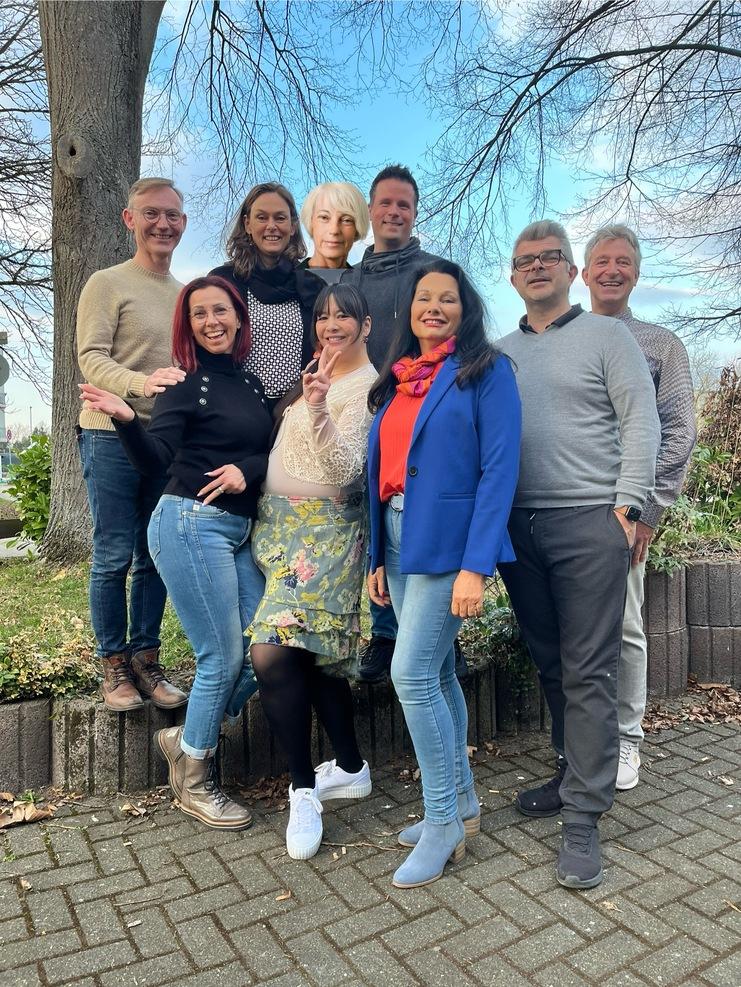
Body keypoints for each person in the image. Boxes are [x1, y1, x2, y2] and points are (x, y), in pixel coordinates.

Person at [498, 220, 661, 890]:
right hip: (517, 527)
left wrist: (628, 506)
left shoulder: (606, 335)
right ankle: (572, 771)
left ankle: (583, 818)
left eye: (549, 258)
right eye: (524, 260)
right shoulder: (498, 351)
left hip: (587, 522)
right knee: (549, 661)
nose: (536, 267)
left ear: (570, 271)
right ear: (511, 276)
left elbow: (641, 418)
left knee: (588, 669)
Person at [80, 276, 274, 830]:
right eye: (198, 315)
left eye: (221, 310)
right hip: (189, 523)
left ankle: (185, 736)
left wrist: (248, 470)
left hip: (238, 531)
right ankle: (195, 779)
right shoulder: (184, 385)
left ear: (239, 317)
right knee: (222, 655)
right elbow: (155, 459)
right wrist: (123, 420)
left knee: (269, 642)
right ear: (187, 326)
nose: (211, 321)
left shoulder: (255, 384)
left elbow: (268, 453)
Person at [367, 260, 521, 888]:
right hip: (400, 537)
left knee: (410, 675)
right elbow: (381, 474)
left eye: (448, 299)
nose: (434, 307)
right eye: (424, 298)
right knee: (434, 672)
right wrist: (377, 554)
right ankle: (461, 803)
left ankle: (441, 823)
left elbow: (499, 472)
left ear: (466, 308)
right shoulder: (399, 380)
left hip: (450, 547)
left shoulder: (486, 371)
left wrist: (475, 567)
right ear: (409, 310)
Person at [248, 283, 377, 860]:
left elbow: (348, 467)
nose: (331, 323)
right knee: (318, 658)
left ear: (366, 325)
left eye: (344, 315)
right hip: (277, 533)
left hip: (325, 537)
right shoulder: (314, 372)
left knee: (272, 652)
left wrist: (321, 405)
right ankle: (350, 767)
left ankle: (303, 791)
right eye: (323, 315)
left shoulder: (370, 386)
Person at [582, 224, 696, 790]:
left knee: (624, 626)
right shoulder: (565, 337)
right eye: (601, 260)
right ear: (582, 272)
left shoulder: (660, 345)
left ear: (636, 273)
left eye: (622, 261)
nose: (611, 269)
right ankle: (583, 738)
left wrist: (647, 509)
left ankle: (628, 739)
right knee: (572, 629)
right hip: (563, 511)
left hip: (622, 514)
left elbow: (678, 432)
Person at [77, 177, 189, 713]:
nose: (162, 223)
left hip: (162, 442)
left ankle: (147, 659)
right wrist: (140, 385)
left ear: (183, 224)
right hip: (109, 436)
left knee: (153, 556)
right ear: (130, 219)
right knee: (113, 554)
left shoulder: (183, 295)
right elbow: (91, 356)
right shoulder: (106, 282)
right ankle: (113, 665)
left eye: (172, 215)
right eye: (151, 214)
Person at [342, 164, 446, 682]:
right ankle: (385, 633)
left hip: (417, 413)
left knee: (419, 518)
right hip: (357, 414)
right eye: (385, 203)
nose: (393, 212)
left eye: (403, 204)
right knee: (374, 519)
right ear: (371, 210)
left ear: (414, 212)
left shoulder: (432, 271)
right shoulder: (351, 280)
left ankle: (434, 636)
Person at [209, 182, 324, 406]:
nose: (271, 226)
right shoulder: (223, 282)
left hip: (296, 409)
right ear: (247, 224)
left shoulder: (313, 285)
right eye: (262, 217)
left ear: (292, 226)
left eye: (280, 218)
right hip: (234, 407)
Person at [298, 182, 370, 283]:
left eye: (346, 220)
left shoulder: (366, 287)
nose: (334, 230)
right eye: (324, 217)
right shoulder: (285, 286)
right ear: (310, 221)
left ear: (357, 228)